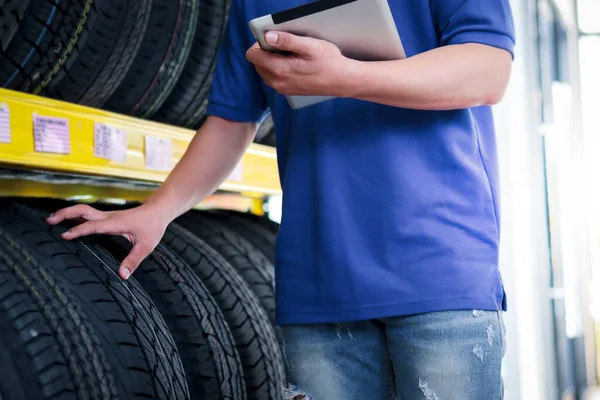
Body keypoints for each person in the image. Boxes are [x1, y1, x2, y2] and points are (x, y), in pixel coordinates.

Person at [47, 0, 516, 398]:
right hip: (317, 284)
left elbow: (487, 71)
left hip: (439, 271)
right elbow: (232, 121)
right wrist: (158, 210)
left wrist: (344, 76)